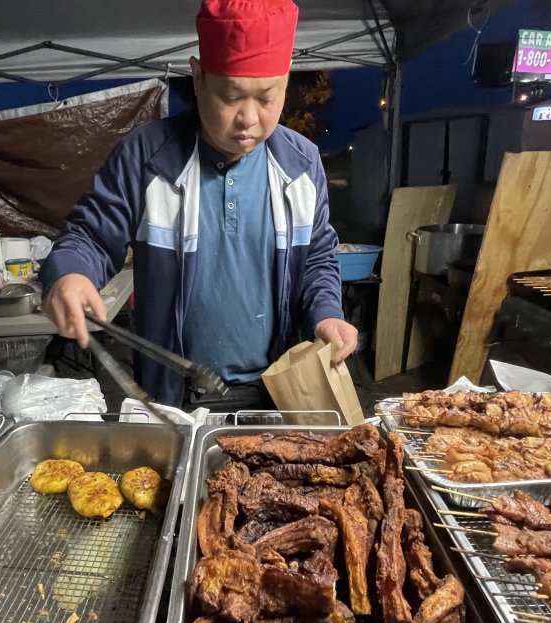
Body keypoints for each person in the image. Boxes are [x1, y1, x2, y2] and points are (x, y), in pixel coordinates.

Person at [42, 0, 357, 410]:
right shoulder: (146, 157)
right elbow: (90, 237)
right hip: (177, 395)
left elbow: (316, 258)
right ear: (198, 77)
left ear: (285, 82)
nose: (248, 118)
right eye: (231, 96)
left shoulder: (302, 164)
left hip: (279, 391)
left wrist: (327, 312)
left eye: (267, 98)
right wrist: (70, 274)